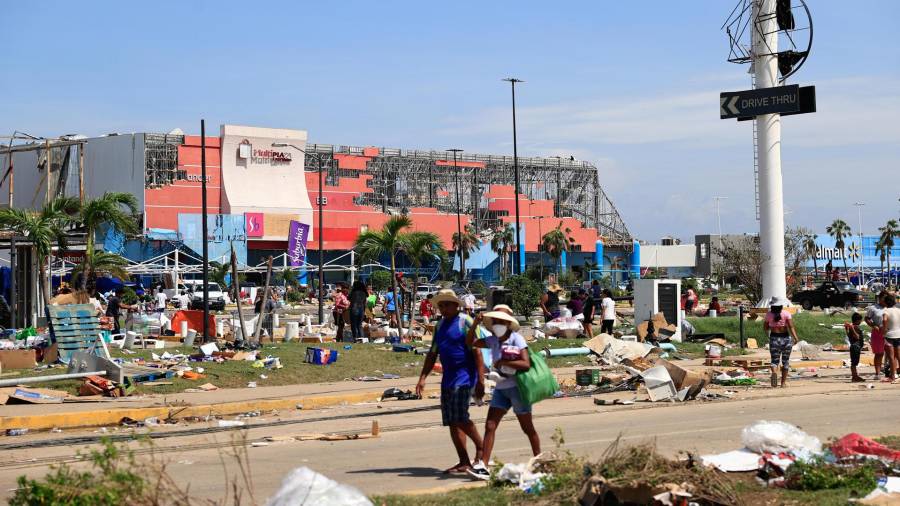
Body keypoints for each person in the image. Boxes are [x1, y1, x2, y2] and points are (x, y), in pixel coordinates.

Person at [415, 289, 484, 474]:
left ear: (456, 305)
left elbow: (477, 351)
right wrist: (422, 378)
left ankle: (481, 447)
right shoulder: (439, 326)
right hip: (448, 379)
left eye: (447, 304)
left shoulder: (465, 321)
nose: (443, 309)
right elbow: (432, 353)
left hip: (466, 377)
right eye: (441, 305)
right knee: (452, 421)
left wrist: (481, 380)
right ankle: (463, 461)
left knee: (460, 416)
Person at [466, 306, 540, 480]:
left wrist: (503, 362)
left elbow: (526, 364)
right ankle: (483, 464)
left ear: (508, 323)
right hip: (500, 389)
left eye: (501, 321)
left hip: (517, 389)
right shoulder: (492, 340)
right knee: (490, 426)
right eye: (495, 321)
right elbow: (470, 342)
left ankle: (538, 460)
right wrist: (475, 323)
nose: (498, 323)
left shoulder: (517, 339)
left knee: (527, 428)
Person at [763, 296, 799, 388]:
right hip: (786, 339)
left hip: (774, 338)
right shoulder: (786, 314)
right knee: (785, 362)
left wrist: (769, 334)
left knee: (774, 361)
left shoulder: (769, 315)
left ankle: (774, 372)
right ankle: (783, 383)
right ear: (781, 305)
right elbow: (791, 327)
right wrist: (795, 338)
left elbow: (765, 328)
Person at [865, 291, 888, 380]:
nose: (885, 300)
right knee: (879, 353)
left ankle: (891, 372)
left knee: (892, 353)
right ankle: (877, 373)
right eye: (884, 298)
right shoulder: (873, 308)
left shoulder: (890, 307)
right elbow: (867, 318)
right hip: (878, 333)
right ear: (880, 298)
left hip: (890, 332)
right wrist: (874, 326)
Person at [881, 293, 900, 382]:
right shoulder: (898, 310)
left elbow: (884, 319)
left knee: (891, 357)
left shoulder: (886, 311)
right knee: (899, 356)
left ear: (886, 302)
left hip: (890, 336)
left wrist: (884, 330)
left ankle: (892, 376)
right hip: (899, 335)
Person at [846, 312, 865, 382]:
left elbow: (849, 336)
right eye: (860, 320)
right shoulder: (855, 327)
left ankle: (855, 376)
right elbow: (857, 337)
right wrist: (852, 329)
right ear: (858, 320)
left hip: (854, 346)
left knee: (854, 362)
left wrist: (847, 329)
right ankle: (855, 376)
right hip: (855, 347)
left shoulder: (853, 327)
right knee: (854, 363)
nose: (860, 322)